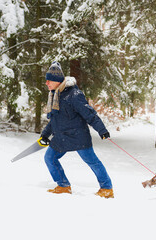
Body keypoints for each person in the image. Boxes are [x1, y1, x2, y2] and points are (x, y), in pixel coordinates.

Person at [39, 61, 113, 198]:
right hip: (62, 137)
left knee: (92, 161)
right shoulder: (55, 95)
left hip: (78, 136)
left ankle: (107, 188)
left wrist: (102, 130)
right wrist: (45, 135)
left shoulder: (74, 95)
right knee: (49, 158)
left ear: (56, 80)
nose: (46, 83)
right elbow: (54, 119)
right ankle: (63, 185)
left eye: (49, 80)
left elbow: (89, 114)